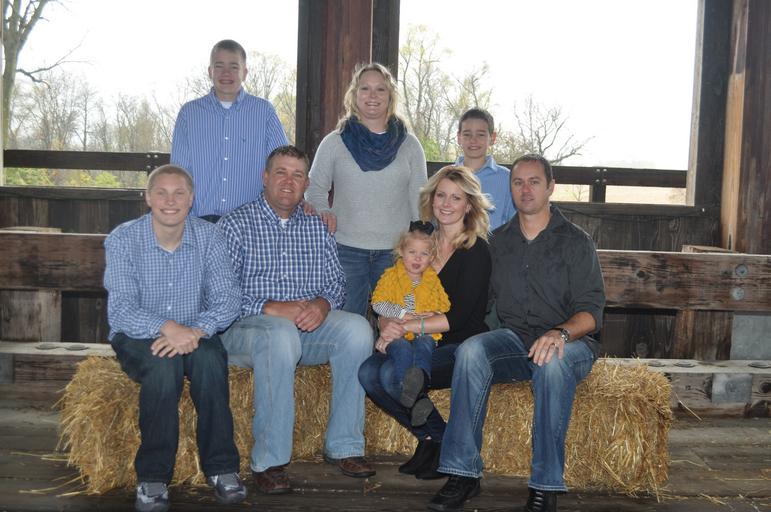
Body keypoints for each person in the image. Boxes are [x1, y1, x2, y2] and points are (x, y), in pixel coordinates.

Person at [427, 154, 606, 512]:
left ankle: (544, 485)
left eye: (534, 182)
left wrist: (560, 333)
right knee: (471, 351)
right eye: (518, 182)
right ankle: (463, 474)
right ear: (510, 189)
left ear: (551, 187)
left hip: (569, 343)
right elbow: (479, 304)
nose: (525, 189)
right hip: (514, 341)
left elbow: (593, 313)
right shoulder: (498, 242)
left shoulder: (575, 241)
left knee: (551, 363)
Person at [217, 145, 376, 496]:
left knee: (357, 329)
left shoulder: (316, 227)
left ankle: (344, 445)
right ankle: (269, 461)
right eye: (281, 172)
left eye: (297, 175)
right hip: (246, 330)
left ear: (306, 184)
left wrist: (322, 304)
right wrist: (271, 307)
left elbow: (336, 283)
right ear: (265, 178)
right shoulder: (235, 224)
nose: (288, 181)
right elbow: (220, 296)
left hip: (303, 329)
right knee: (279, 333)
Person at [103, 165, 246, 512]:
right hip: (139, 333)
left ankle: (222, 468)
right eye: (162, 193)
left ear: (191, 199)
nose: (170, 201)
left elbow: (228, 300)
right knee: (164, 367)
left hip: (196, 329)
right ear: (147, 198)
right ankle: (153, 477)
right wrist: (168, 327)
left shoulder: (210, 237)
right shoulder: (123, 239)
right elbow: (121, 310)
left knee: (210, 360)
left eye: (179, 193)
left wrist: (195, 330)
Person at [358, 165, 492, 481]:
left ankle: (439, 443)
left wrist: (404, 327)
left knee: (391, 375)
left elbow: (458, 318)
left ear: (469, 205)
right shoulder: (420, 243)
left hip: (458, 345)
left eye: (456, 197)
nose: (446, 203)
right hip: (414, 340)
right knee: (368, 373)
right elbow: (394, 289)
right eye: (440, 195)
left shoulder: (476, 250)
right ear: (431, 199)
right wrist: (386, 321)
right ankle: (433, 437)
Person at [306, 62, 428, 317]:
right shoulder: (334, 142)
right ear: (354, 94)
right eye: (365, 88)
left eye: (380, 89)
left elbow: (420, 199)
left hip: (397, 252)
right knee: (349, 326)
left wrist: (422, 241)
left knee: (399, 325)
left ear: (390, 96)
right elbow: (315, 188)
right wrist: (323, 211)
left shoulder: (410, 145)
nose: (372, 95)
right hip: (345, 250)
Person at [171, 39, 288, 221]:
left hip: (251, 222)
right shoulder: (189, 114)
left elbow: (282, 166)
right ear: (210, 71)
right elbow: (179, 172)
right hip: (200, 221)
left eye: (234, 67)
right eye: (219, 66)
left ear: (245, 73)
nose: (226, 73)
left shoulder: (264, 112)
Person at [370, 221, 451, 428]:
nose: (417, 258)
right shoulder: (391, 276)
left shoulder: (432, 280)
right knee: (403, 349)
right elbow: (377, 303)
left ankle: (420, 385)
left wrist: (433, 313)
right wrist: (402, 313)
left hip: (423, 333)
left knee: (424, 346)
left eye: (424, 254)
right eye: (412, 252)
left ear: (431, 258)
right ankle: (414, 398)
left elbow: (445, 305)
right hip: (398, 333)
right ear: (401, 252)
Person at [455, 108, 515, 230]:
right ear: (459, 137)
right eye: (467, 134)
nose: (473, 140)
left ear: (492, 138)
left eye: (481, 134)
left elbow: (516, 222)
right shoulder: (444, 177)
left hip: (493, 242)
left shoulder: (507, 179)